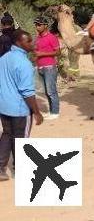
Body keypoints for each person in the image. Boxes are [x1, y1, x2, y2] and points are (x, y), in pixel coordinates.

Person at [0, 29, 44, 182]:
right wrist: (37, 112)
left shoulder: (4, 58)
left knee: (6, 134)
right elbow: (27, 92)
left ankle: (1, 169)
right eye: (28, 41)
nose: (31, 44)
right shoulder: (24, 63)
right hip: (19, 109)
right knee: (21, 139)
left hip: (4, 106)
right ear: (19, 42)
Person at [34, 16, 61, 119]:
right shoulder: (38, 38)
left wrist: (42, 54)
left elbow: (58, 52)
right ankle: (51, 111)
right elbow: (36, 51)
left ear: (45, 26)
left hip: (49, 67)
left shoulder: (52, 37)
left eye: (39, 25)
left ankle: (55, 112)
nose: (37, 27)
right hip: (40, 67)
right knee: (46, 91)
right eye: (36, 25)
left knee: (51, 90)